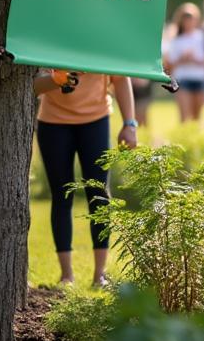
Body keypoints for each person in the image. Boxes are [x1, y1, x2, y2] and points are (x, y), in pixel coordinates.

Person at [34, 70, 137, 286]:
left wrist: (129, 123)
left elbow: (120, 78)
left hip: (96, 120)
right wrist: (55, 79)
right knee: (61, 194)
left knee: (99, 195)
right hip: (53, 122)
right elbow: (32, 86)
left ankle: (100, 274)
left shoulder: (102, 38)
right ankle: (66, 276)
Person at [165, 2, 204, 122]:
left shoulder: (203, 37)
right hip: (183, 79)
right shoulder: (176, 40)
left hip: (200, 79)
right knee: (184, 116)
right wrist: (182, 59)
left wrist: (195, 59)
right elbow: (170, 64)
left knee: (197, 117)